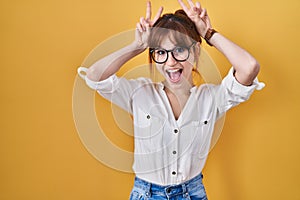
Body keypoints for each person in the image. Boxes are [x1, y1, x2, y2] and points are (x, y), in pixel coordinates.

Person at [77, 0, 265, 199]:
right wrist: (137, 45)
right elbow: (94, 76)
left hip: (192, 194)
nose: (171, 61)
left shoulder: (212, 99)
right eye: (160, 52)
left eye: (179, 50)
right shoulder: (139, 93)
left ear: (196, 51)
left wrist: (209, 33)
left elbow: (249, 67)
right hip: (146, 194)